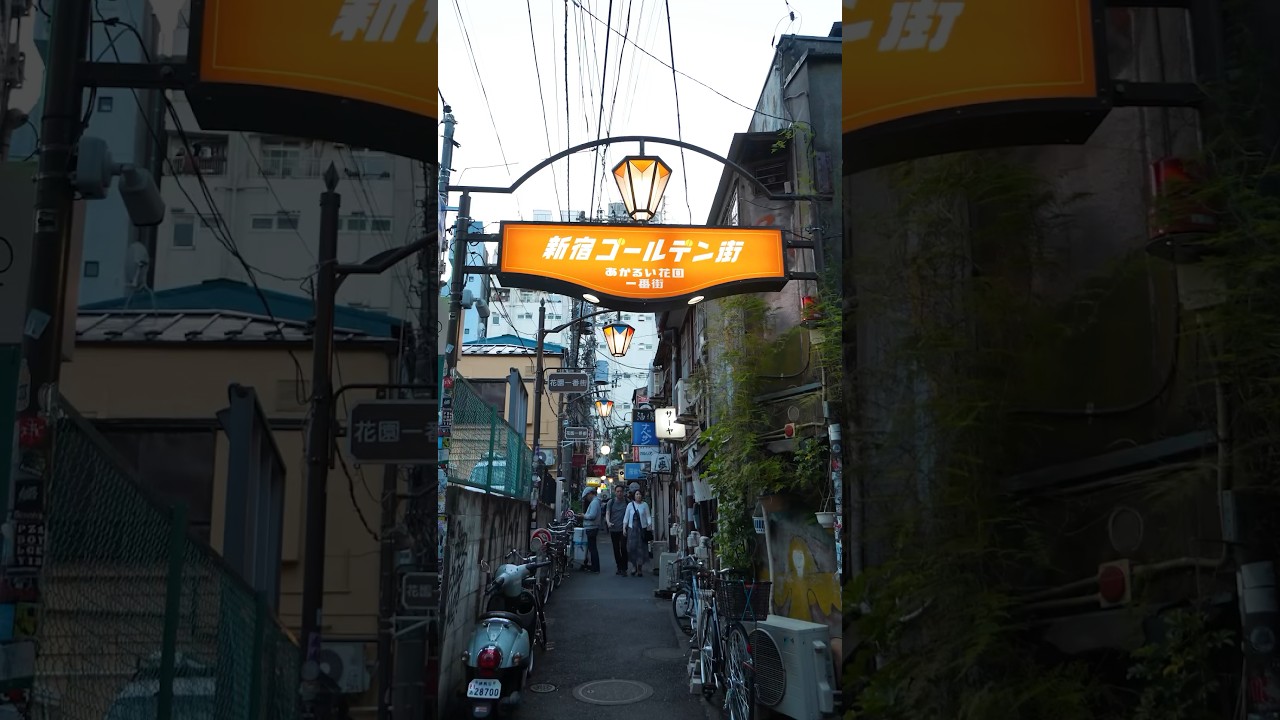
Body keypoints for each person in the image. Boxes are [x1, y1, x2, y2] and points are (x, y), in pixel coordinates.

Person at [622, 489, 653, 577]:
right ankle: (633, 566)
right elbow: (626, 517)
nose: (638, 496)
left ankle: (639, 568)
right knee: (632, 548)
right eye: (637, 494)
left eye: (640, 494)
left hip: (642, 530)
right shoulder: (630, 505)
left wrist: (649, 524)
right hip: (632, 530)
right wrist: (624, 528)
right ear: (634, 496)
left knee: (641, 549)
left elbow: (648, 516)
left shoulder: (645, 505)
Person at [604, 484, 628, 575]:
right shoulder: (611, 502)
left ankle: (624, 568)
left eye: (621, 491)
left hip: (623, 529)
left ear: (623, 492)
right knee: (616, 549)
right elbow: (607, 513)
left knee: (623, 547)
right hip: (614, 529)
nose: (619, 493)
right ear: (615, 492)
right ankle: (619, 567)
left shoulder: (627, 501)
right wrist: (608, 522)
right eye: (617, 491)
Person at [580, 486, 602, 573]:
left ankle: (595, 567)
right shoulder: (595, 502)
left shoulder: (594, 503)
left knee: (592, 548)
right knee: (592, 548)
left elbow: (592, 516)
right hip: (593, 527)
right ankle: (594, 566)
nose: (587, 499)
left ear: (590, 494)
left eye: (586, 496)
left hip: (591, 527)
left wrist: (583, 516)